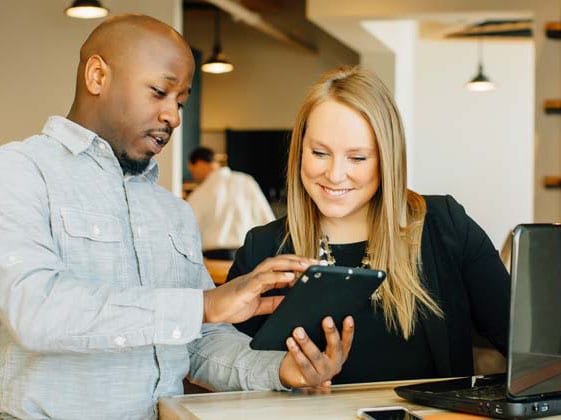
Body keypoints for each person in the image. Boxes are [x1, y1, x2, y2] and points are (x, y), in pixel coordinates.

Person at [0, 15, 354, 420]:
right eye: (159, 92)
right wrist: (204, 305)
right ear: (97, 76)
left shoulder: (173, 212)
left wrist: (280, 370)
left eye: (181, 101)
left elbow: (197, 342)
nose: (174, 117)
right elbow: (37, 310)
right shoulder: (18, 171)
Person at [227, 65, 510, 384]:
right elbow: (229, 367)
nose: (334, 175)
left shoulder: (444, 226)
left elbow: (522, 343)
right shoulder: (262, 248)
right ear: (299, 151)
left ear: (387, 159)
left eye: (357, 158)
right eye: (319, 153)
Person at [187, 146, 276, 260]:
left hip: (215, 258)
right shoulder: (246, 181)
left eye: (192, 169)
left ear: (199, 163)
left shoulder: (199, 193)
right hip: (249, 254)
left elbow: (188, 231)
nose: (193, 175)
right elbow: (267, 218)